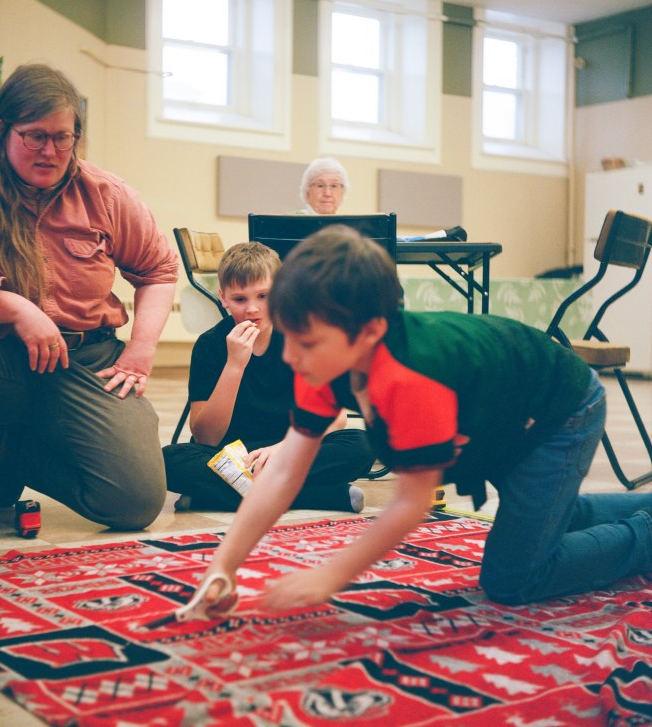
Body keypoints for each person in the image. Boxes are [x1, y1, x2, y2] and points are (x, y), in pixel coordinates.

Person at [196, 225, 652, 612]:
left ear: (370, 332)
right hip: (499, 408)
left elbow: (411, 501)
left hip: (560, 410)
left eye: (306, 343)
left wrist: (330, 576)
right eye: (289, 336)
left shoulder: (412, 378)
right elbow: (284, 473)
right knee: (543, 518)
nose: (290, 356)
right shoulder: (317, 352)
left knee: (513, 579)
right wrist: (224, 564)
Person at [0, 63, 179, 546]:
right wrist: (18, 309)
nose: (51, 151)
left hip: (87, 360)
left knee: (134, 502)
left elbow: (158, 271)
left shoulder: (107, 194)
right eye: (35, 136)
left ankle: (19, 454)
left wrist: (141, 350)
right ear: (3, 130)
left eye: (63, 138)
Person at [163, 241, 374, 513]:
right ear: (224, 298)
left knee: (362, 444)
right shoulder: (210, 345)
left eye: (263, 296)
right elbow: (206, 437)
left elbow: (336, 418)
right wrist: (235, 365)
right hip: (231, 455)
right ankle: (320, 497)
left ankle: (216, 497)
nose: (252, 309)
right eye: (240, 299)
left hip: (289, 448)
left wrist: (283, 450)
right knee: (170, 460)